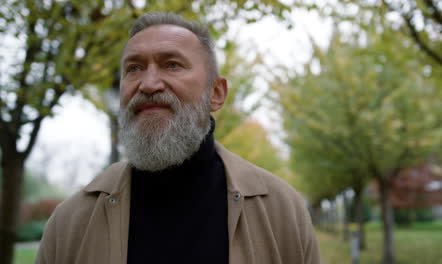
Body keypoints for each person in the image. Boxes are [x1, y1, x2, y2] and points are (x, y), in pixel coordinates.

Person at [36, 12, 320, 264]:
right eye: (133, 68)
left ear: (216, 93)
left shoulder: (282, 212)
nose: (148, 84)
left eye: (171, 64)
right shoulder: (70, 224)